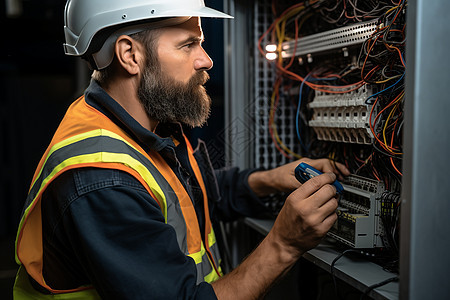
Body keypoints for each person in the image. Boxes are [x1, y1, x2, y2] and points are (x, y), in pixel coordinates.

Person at [13, 0, 350, 299]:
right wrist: (283, 244)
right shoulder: (103, 178)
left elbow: (189, 200)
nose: (206, 60)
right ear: (130, 55)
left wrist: (269, 180)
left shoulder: (147, 126)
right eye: (188, 44)